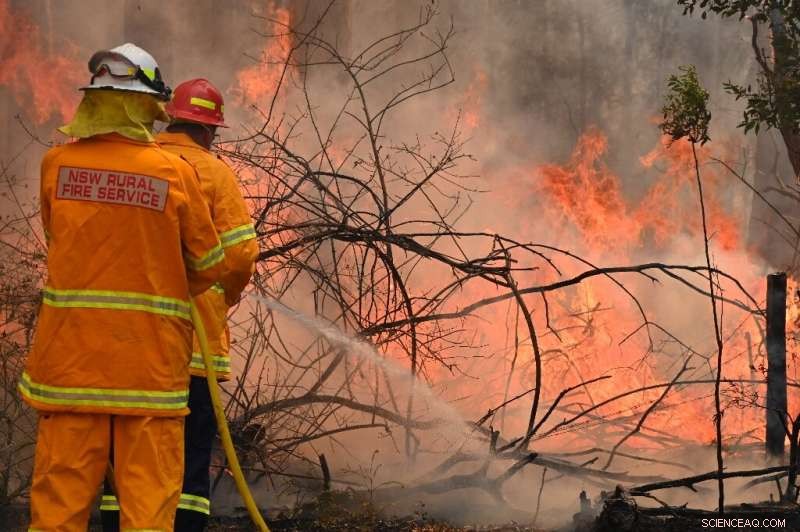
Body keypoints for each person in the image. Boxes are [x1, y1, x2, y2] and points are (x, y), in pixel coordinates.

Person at [20, 43, 225, 531]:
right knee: (148, 511)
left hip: (70, 373)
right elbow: (209, 264)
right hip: (149, 377)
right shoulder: (175, 172)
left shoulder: (56, 165)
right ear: (147, 105)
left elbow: (60, 241)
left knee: (57, 510)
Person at [100, 78, 258, 532]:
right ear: (209, 131)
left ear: (172, 120)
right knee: (188, 461)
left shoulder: (139, 163)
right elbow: (241, 254)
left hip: (129, 343)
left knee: (128, 454)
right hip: (192, 347)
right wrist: (223, 292)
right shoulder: (212, 172)